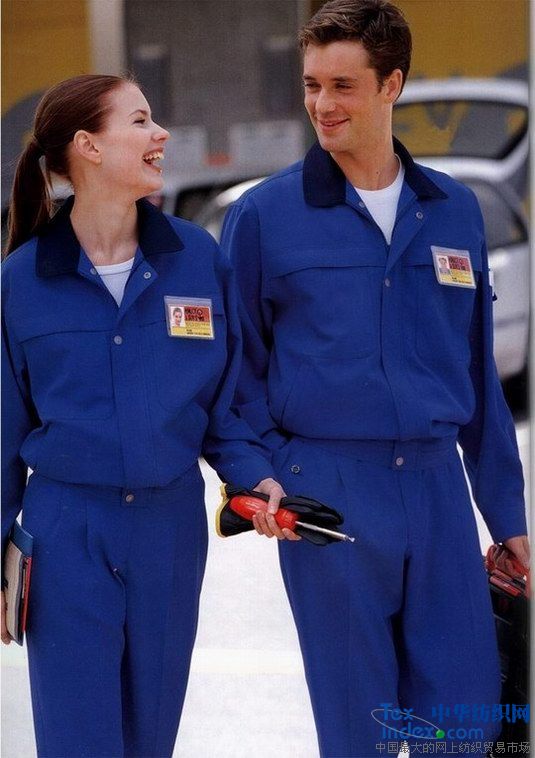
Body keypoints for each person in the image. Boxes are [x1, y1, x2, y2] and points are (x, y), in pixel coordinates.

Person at [221, 2, 529, 756]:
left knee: (462, 725)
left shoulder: (452, 210)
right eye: (311, 85)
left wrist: (508, 518)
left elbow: (477, 380)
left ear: (392, 85)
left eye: (343, 85)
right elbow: (236, 374)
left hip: (436, 491)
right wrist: (261, 475)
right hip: (328, 495)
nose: (322, 104)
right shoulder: (263, 216)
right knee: (358, 730)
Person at [1, 74, 288, 758]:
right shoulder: (21, 280)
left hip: (169, 528)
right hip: (67, 531)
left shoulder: (196, 259)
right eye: (139, 121)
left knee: (149, 737)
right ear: (88, 146)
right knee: (77, 740)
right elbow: (3, 432)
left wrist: (253, 475)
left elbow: (224, 403)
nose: (160, 134)